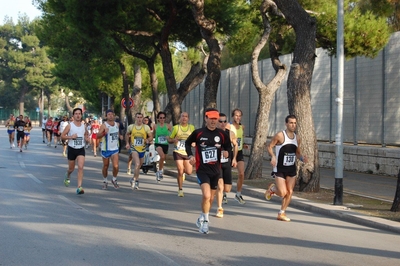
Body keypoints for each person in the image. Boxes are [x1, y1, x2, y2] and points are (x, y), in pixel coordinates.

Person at [185, 109, 231, 234]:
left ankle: (202, 216)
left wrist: (227, 152)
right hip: (202, 170)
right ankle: (205, 221)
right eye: (210, 118)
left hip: (216, 171)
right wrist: (190, 156)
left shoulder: (221, 134)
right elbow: (187, 143)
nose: (213, 121)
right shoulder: (198, 133)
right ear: (205, 119)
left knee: (210, 199)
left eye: (215, 119)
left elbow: (228, 146)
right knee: (206, 195)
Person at [265, 114, 308, 222]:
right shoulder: (280, 135)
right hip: (279, 168)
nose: (293, 125)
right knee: (283, 192)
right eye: (291, 123)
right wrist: (273, 156)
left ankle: (281, 213)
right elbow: (269, 146)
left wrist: (302, 158)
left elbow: (297, 153)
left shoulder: (297, 138)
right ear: (286, 123)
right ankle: (272, 189)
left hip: (291, 169)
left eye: (294, 123)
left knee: (290, 192)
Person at [214, 113, 238, 218]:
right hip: (216, 163)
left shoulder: (230, 133)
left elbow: (236, 145)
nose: (223, 123)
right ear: (217, 122)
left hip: (227, 163)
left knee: (227, 189)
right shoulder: (212, 133)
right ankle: (219, 208)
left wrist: (234, 158)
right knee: (220, 186)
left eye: (225, 121)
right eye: (220, 121)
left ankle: (220, 193)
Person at [61, 108, 89, 195]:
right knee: (71, 168)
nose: (78, 115)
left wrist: (87, 139)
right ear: (73, 115)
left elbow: (86, 134)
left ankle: (79, 187)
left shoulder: (83, 126)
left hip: (80, 149)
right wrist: (71, 137)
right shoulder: (70, 126)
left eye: (79, 114)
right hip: (72, 148)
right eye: (76, 114)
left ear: (81, 115)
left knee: (80, 167)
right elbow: (62, 136)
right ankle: (68, 175)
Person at [168, 112, 195, 197]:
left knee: (189, 172)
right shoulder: (176, 128)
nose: (184, 118)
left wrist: (194, 143)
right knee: (180, 169)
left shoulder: (191, 128)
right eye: (182, 116)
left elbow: (195, 139)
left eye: (186, 116)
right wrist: (174, 140)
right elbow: (169, 139)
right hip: (178, 151)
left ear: (188, 118)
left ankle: (183, 173)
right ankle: (180, 189)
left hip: (187, 153)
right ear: (180, 118)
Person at [125, 112, 153, 190]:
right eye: (138, 117)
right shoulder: (131, 127)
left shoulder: (146, 127)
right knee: (137, 164)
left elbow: (151, 136)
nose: (139, 119)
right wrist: (127, 143)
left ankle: (133, 178)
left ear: (143, 118)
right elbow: (127, 134)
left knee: (139, 165)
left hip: (142, 149)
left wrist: (148, 140)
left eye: (141, 117)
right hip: (134, 148)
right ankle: (136, 181)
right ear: (135, 118)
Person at [229, 108, 248, 204]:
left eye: (239, 116)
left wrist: (243, 144)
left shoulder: (242, 127)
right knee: (226, 173)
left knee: (241, 173)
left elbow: (240, 138)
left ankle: (238, 194)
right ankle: (223, 193)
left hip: (239, 152)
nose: (238, 117)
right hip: (229, 152)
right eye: (236, 115)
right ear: (233, 116)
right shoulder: (229, 126)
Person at [97, 109, 120, 190]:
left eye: (111, 114)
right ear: (106, 116)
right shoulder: (104, 125)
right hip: (106, 149)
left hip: (115, 149)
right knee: (106, 166)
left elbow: (117, 134)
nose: (110, 115)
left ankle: (114, 179)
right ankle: (105, 180)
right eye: (108, 114)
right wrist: (104, 133)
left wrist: (120, 137)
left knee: (116, 166)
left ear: (114, 115)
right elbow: (98, 136)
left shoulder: (117, 124)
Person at [153, 111, 172, 182]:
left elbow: (173, 133)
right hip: (158, 144)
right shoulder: (155, 126)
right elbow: (152, 134)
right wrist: (150, 139)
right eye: (160, 118)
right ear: (158, 119)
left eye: (163, 118)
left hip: (165, 144)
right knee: (162, 156)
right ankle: (160, 171)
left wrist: (169, 138)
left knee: (163, 158)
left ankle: (159, 170)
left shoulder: (168, 126)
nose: (162, 119)